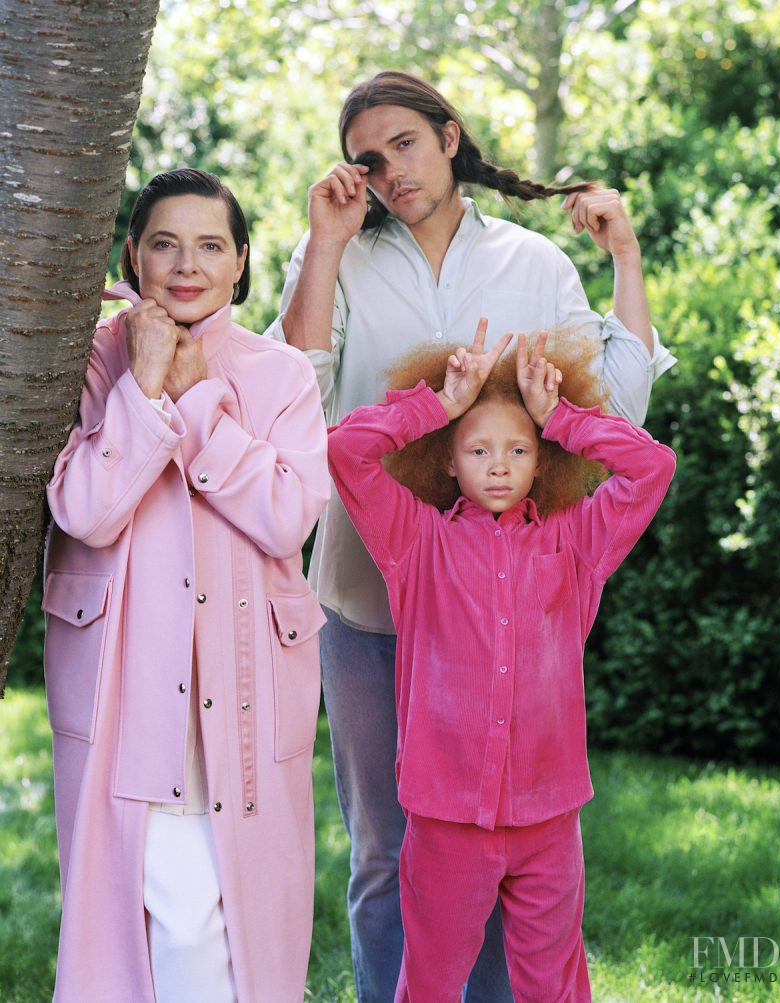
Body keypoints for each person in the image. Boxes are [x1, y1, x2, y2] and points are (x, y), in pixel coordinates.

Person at [266, 70, 675, 1001]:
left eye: (404, 143)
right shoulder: (337, 254)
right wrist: (325, 246)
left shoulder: (534, 263)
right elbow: (295, 395)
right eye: (368, 157)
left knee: (504, 858)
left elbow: (622, 400)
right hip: (371, 597)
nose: (390, 169)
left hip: (506, 605)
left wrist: (627, 258)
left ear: (450, 138)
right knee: (387, 850)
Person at [42, 168, 329, 1003]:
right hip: (129, 688)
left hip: (243, 690)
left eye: (210, 245)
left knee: (229, 920)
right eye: (164, 242)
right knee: (154, 911)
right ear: (132, 254)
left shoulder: (280, 376)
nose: (185, 264)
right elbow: (86, 510)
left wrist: (198, 399)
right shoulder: (91, 361)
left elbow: (283, 517)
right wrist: (139, 387)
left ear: (242, 261)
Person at [326, 325, 677, 1001]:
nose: (498, 464)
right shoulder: (415, 540)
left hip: (549, 814)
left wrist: (562, 419)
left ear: (541, 461)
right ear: (448, 461)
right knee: (429, 981)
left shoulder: (577, 541)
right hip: (446, 814)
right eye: (478, 448)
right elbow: (346, 452)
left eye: (518, 448)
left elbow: (652, 468)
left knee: (556, 984)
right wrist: (436, 406)